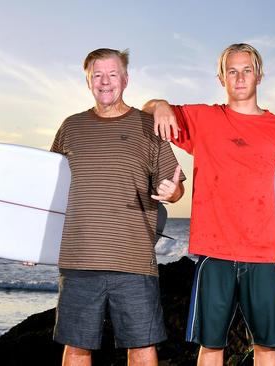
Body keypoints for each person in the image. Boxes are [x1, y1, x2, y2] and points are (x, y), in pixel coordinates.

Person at [143, 43, 275, 365]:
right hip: (215, 251)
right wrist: (162, 104)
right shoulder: (203, 118)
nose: (239, 78)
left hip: (264, 253)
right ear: (221, 77)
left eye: (246, 70)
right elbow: (148, 110)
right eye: (232, 71)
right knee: (211, 347)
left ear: (259, 76)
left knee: (267, 347)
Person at [51, 48, 185, 366]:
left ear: (125, 79)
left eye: (112, 74)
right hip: (79, 260)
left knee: (141, 348)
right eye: (97, 75)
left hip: (134, 262)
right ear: (88, 82)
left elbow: (175, 185)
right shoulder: (71, 126)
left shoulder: (147, 126)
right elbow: (50, 189)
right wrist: (31, 242)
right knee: (76, 349)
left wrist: (173, 191)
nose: (105, 81)